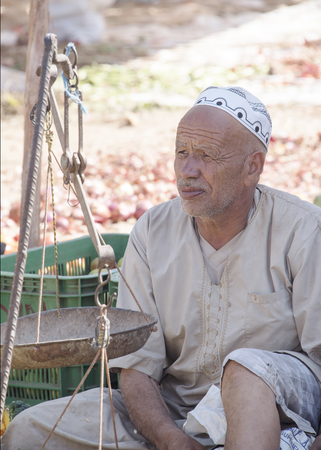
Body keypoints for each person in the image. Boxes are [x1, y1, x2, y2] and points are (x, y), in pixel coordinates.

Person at [2, 86, 321, 450]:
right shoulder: (152, 231)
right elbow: (138, 366)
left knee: (246, 369)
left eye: (207, 156)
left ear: (253, 167)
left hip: (279, 408)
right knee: (29, 431)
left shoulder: (304, 230)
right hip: (175, 410)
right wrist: (171, 440)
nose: (188, 170)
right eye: (181, 152)